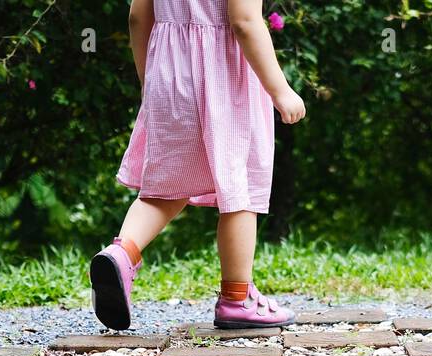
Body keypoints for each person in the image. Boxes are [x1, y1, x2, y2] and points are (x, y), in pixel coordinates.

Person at [89, 0, 306, 331]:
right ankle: (237, 299)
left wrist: (151, 81)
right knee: (239, 188)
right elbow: (244, 21)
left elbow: (136, 17)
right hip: (226, 79)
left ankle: (122, 254)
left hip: (168, 75)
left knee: (163, 190)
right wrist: (280, 90)